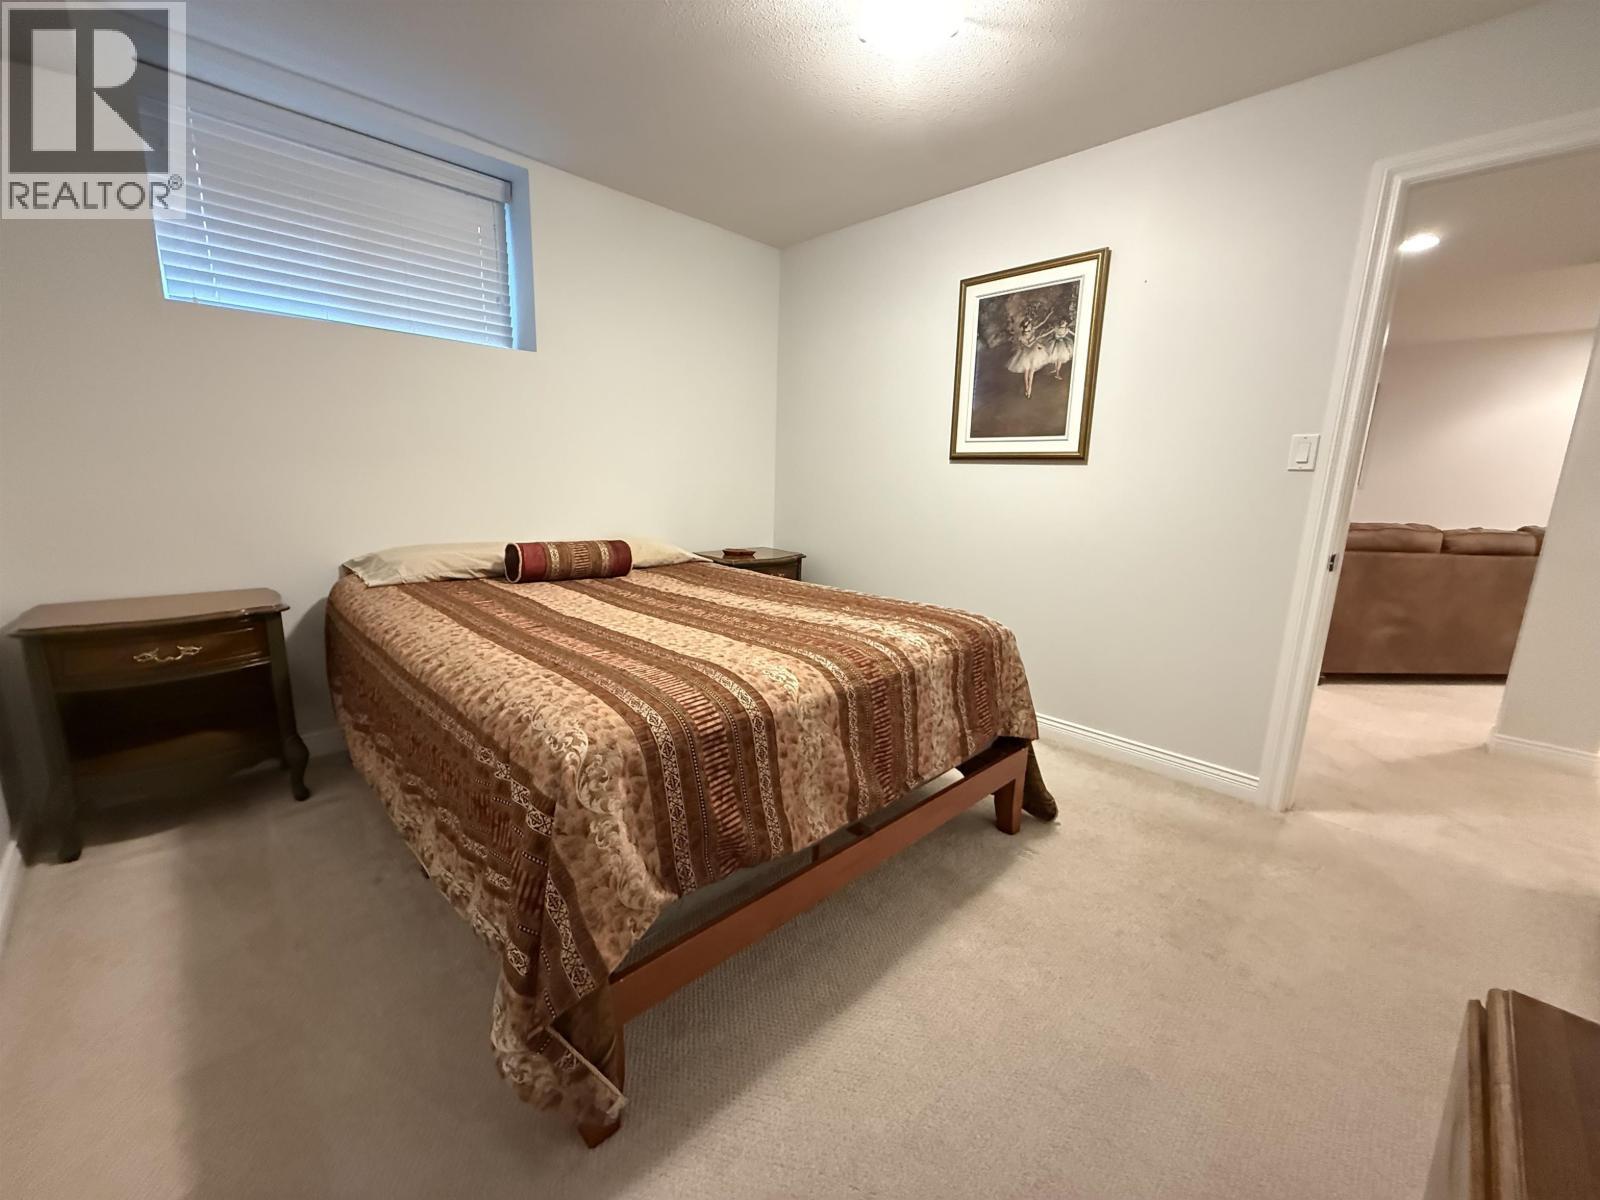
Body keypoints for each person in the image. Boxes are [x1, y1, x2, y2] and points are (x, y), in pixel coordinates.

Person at [1005, 314, 1052, 398]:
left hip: (1034, 352)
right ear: (1025, 327)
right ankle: (1027, 387)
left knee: (1031, 372)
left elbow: (1041, 323)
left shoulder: (1032, 330)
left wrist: (1048, 315)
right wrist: (1036, 339)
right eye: (1028, 324)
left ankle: (1029, 388)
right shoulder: (1021, 337)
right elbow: (1029, 345)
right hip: (1026, 353)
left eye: (1030, 324)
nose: (1030, 325)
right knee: (1026, 371)